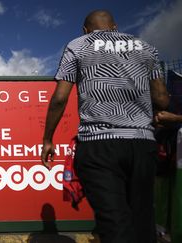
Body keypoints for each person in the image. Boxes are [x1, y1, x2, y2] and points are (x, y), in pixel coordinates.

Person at [40, 10, 170, 243]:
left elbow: (60, 97)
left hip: (99, 143)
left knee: (113, 222)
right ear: (115, 27)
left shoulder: (78, 45)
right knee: (143, 219)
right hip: (143, 144)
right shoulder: (145, 47)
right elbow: (161, 99)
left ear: (85, 30)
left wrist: (47, 139)